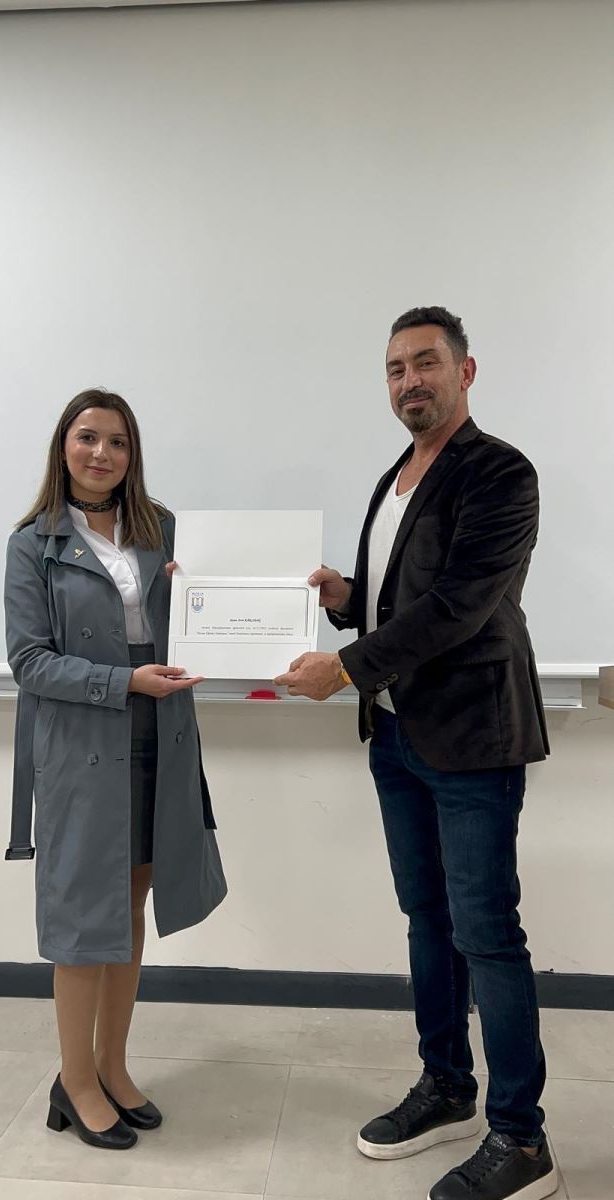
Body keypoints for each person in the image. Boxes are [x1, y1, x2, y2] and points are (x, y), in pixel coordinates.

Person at [275, 307, 557, 1200]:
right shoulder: (393, 479)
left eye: (425, 363)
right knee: (427, 922)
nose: (409, 381)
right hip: (396, 736)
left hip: (472, 739)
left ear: (465, 373)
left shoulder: (500, 473)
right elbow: (402, 597)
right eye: (394, 369)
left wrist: (346, 666)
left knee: (487, 935)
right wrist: (343, 595)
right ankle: (446, 1087)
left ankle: (522, 1141)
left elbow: (459, 607)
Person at [4, 388, 226, 1150]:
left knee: (131, 903)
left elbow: (203, 615)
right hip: (83, 740)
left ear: (133, 455)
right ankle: (73, 1082)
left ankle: (112, 1065)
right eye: (87, 437)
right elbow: (28, 661)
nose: (101, 453)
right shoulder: (32, 543)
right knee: (79, 921)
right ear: (63, 446)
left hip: (159, 733)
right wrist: (121, 682)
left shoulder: (159, 529)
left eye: (118, 442)